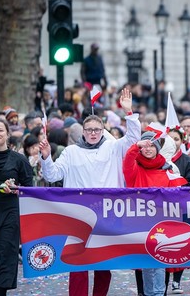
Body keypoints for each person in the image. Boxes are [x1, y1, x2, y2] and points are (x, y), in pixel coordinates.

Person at [39, 88, 140, 296]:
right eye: (89, 129)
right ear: (82, 132)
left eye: (97, 129)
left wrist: (129, 113)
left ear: (103, 130)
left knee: (103, 264)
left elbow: (133, 138)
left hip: (107, 214)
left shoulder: (114, 147)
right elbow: (52, 175)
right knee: (78, 263)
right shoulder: (70, 152)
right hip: (78, 215)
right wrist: (47, 157)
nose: (93, 133)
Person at [122, 131, 187, 296]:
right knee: (146, 263)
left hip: (162, 224)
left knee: (159, 262)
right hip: (140, 223)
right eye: (145, 146)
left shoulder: (168, 170)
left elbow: (176, 197)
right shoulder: (135, 169)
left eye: (152, 145)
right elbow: (128, 160)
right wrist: (136, 147)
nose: (148, 148)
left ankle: (159, 294)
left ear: (158, 148)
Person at [0, 119, 33, 296]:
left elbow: (29, 189)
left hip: (8, 214)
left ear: (8, 134)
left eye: (0, 130)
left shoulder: (19, 160)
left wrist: (16, 190)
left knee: (4, 253)